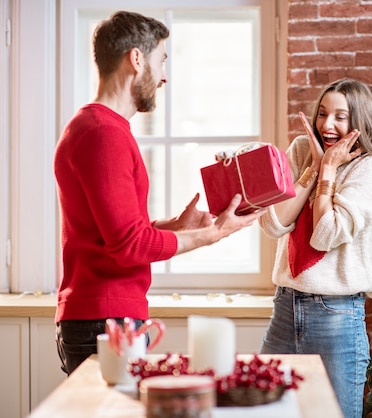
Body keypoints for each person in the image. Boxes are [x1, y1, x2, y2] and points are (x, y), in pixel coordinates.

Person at [54, 10, 265, 375]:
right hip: (104, 320)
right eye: (161, 60)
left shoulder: (99, 128)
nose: (164, 75)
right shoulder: (103, 133)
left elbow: (113, 234)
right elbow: (128, 245)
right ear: (137, 59)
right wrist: (211, 234)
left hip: (102, 318)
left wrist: (174, 227)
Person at [258, 78, 372, 418]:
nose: (327, 125)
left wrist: (328, 171)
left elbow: (325, 234)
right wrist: (313, 166)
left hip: (336, 316)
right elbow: (272, 223)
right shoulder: (300, 150)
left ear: (359, 123)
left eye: (340, 116)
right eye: (323, 114)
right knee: (264, 411)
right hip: (285, 307)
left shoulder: (371, 166)